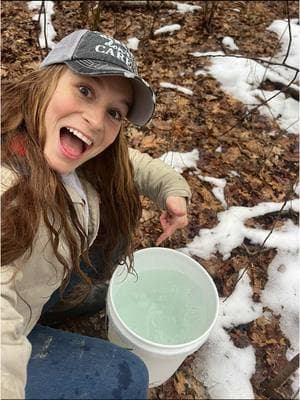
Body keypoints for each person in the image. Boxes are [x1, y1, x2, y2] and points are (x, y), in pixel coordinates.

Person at [1, 29, 192, 399]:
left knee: (115, 230)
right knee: (129, 376)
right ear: (46, 79)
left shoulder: (59, 141)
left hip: (41, 277)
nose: (96, 120)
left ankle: (78, 298)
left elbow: (130, 163)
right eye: (85, 90)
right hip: (13, 321)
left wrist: (172, 190)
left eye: (114, 112)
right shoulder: (9, 185)